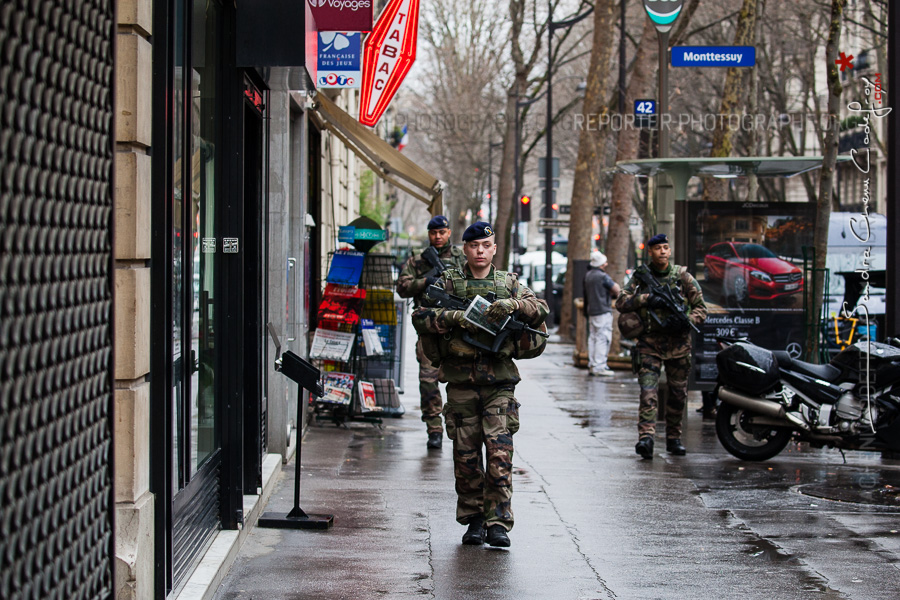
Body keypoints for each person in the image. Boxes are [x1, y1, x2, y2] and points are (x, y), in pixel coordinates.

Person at [412, 221, 548, 547]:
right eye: (474, 246)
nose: (480, 251)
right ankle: (473, 520)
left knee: (500, 454)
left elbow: (540, 308)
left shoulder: (509, 283)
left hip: (500, 383)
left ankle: (498, 522)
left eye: (486, 245)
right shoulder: (449, 283)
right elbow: (421, 316)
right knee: (466, 455)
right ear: (465, 249)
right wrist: (454, 318)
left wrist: (514, 305)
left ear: (494, 248)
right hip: (460, 382)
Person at [614, 233, 707, 459]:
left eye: (666, 247)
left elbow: (701, 308)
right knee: (648, 393)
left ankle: (674, 439)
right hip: (650, 345)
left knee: (678, 395)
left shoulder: (683, 277)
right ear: (651, 252)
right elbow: (621, 302)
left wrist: (686, 320)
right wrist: (644, 299)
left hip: (679, 346)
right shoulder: (640, 277)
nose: (663, 252)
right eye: (658, 248)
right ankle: (646, 438)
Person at [397, 215, 466, 449]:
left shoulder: (460, 258)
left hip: (457, 328)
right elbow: (402, 287)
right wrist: (426, 281)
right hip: (428, 328)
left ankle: (459, 427)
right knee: (428, 381)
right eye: (433, 232)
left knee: (461, 380)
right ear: (429, 234)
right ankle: (434, 428)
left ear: (449, 233)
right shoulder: (418, 260)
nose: (438, 237)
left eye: (442, 232)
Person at [583, 251, 621, 377]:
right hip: (603, 310)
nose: (606, 264)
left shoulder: (588, 275)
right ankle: (599, 366)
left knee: (593, 337)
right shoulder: (602, 276)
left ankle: (593, 363)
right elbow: (617, 290)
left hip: (592, 311)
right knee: (602, 338)